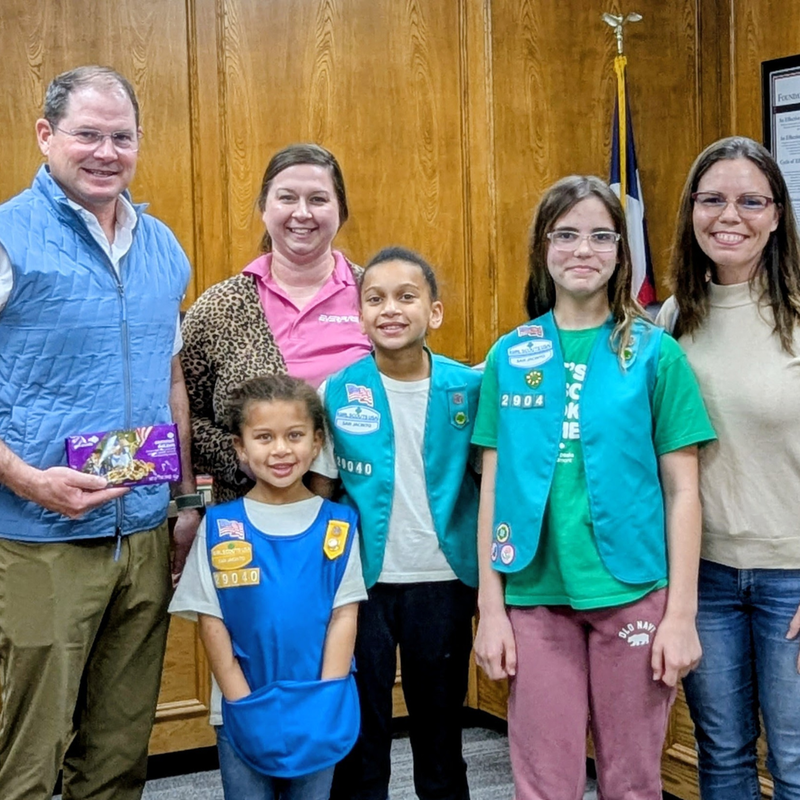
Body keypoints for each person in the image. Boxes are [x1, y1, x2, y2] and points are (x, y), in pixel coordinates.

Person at [473, 175, 716, 800]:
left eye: (600, 236)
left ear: (620, 251)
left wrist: (680, 616)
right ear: (543, 248)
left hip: (632, 590)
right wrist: (491, 610)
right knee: (544, 783)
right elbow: (493, 486)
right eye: (567, 235)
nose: (583, 250)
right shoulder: (510, 353)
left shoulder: (657, 355)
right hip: (534, 595)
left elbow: (684, 492)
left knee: (632, 781)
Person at [0, 66, 200, 800]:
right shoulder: (6, 237)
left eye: (122, 137)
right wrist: (26, 479)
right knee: (25, 756)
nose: (106, 151)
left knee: (118, 752)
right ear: (46, 135)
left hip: (143, 531)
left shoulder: (162, 247)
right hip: (38, 537)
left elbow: (169, 378)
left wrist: (182, 501)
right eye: (88, 134)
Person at [657, 136, 800, 800]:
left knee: (796, 763)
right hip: (704, 578)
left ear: (776, 214)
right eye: (712, 199)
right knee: (723, 757)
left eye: (750, 201)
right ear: (692, 210)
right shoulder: (673, 319)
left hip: (792, 582)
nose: (729, 216)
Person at [311, 246, 481, 800]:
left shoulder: (469, 388)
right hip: (364, 587)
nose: (390, 309)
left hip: (447, 583)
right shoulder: (337, 391)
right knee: (362, 740)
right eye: (375, 298)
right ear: (359, 313)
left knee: (441, 735)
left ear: (433, 312)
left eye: (407, 297)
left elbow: (493, 484)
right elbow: (321, 494)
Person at [170, 374, 367, 800]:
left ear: (317, 443)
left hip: (318, 703)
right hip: (242, 706)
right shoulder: (220, 527)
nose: (281, 449)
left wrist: (326, 697)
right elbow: (212, 622)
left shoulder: (338, 525)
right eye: (264, 437)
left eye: (295, 435)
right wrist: (242, 702)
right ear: (241, 447)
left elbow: (343, 615)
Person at [181, 143, 371, 503]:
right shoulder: (218, 308)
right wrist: (245, 457)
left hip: (362, 514)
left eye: (318, 199)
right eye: (287, 198)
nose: (302, 213)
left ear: (341, 211)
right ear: (263, 209)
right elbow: (185, 420)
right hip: (248, 522)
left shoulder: (374, 296)